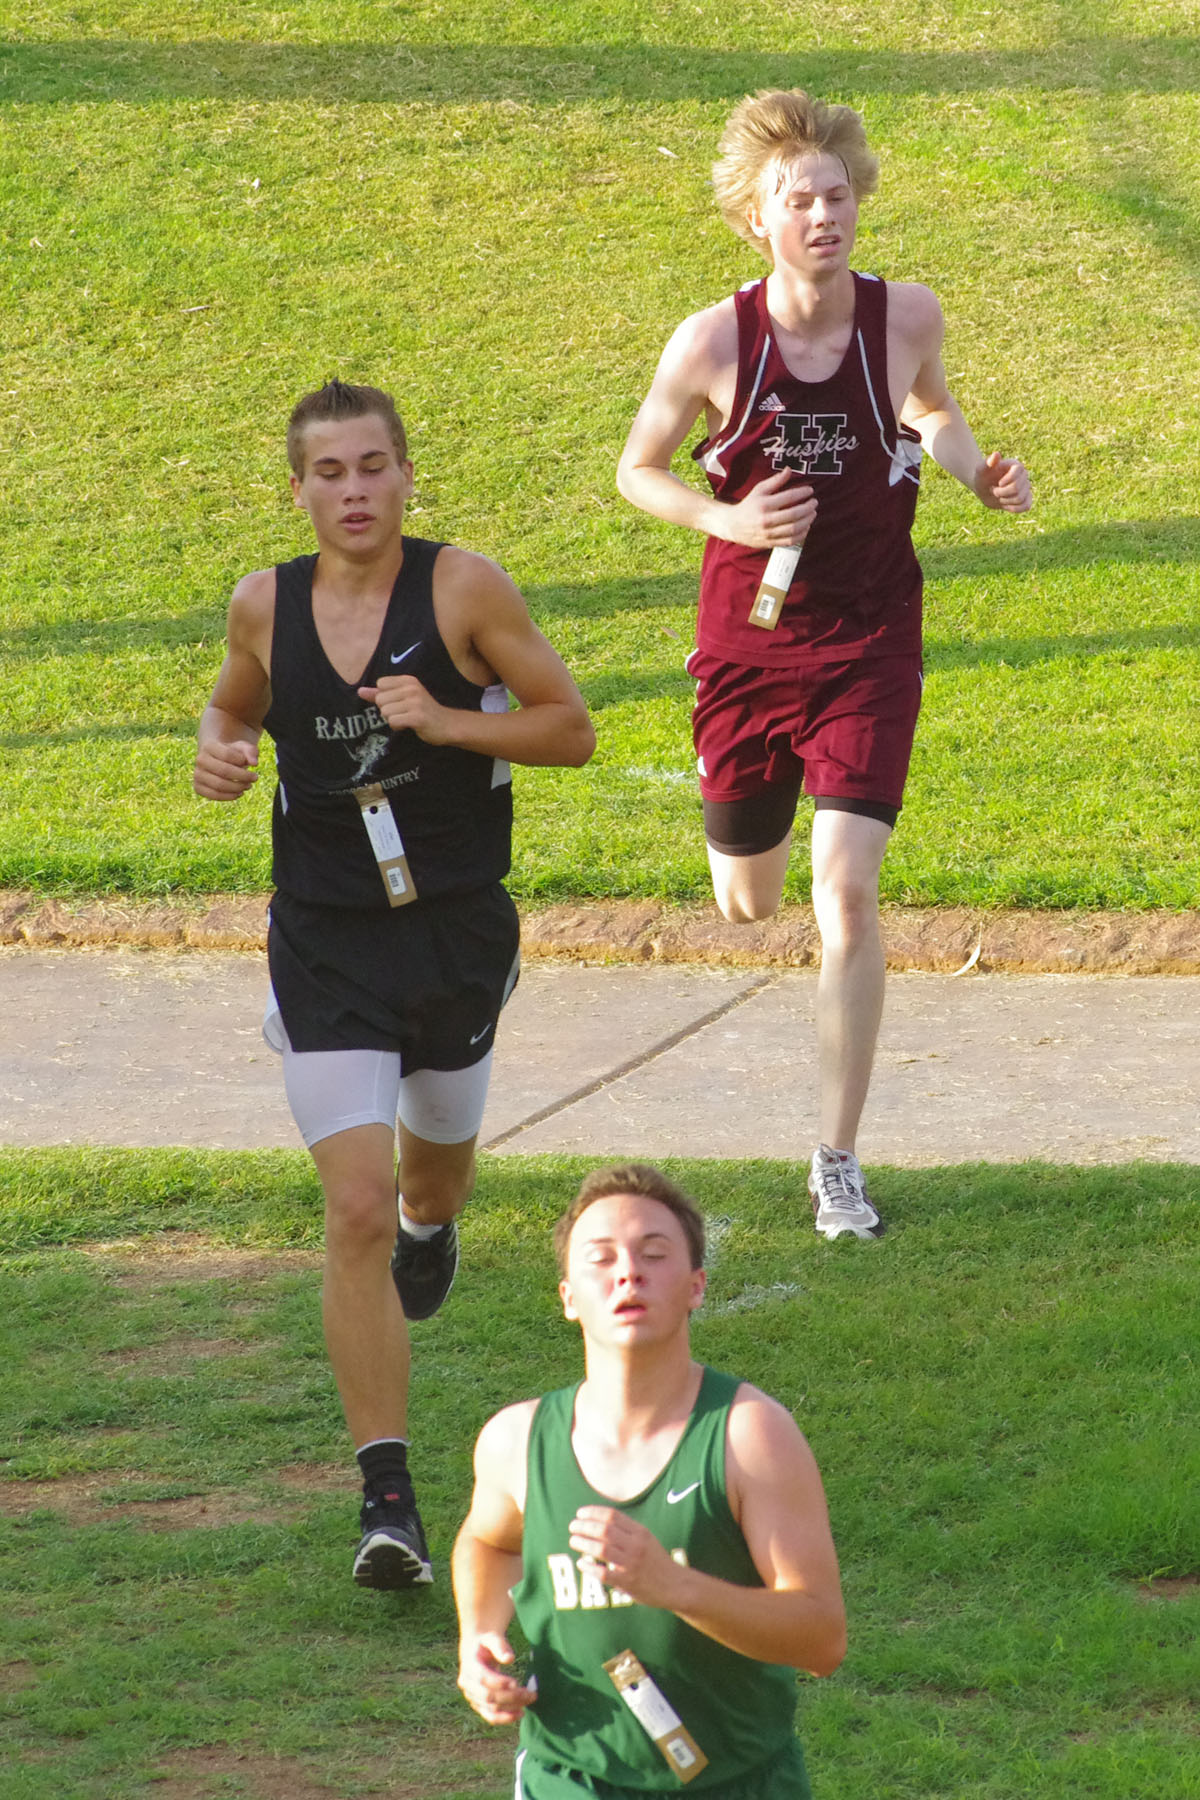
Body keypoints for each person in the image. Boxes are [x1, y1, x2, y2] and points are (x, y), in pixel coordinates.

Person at [193, 379, 595, 1588]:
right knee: (356, 1206)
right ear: (299, 489)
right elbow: (232, 707)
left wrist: (446, 722)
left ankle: (435, 1225)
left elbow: (568, 728)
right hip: (325, 938)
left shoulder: (463, 589)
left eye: (374, 467)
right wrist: (220, 751)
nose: (355, 491)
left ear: (407, 476)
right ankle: (388, 1500)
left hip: (454, 932)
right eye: (330, 472)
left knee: (430, 1173)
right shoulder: (264, 604)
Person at [616, 90, 1032, 1241]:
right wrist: (729, 519)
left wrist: (975, 472)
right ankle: (748, 830)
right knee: (748, 901)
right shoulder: (713, 342)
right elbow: (637, 470)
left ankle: (837, 1163)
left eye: (836, 195)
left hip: (868, 641)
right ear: (756, 219)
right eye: (798, 200)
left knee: (845, 891)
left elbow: (931, 410)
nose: (823, 215)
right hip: (748, 647)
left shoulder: (907, 315)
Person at [454, 1162, 846, 1799]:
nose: (628, 1273)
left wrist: (675, 1586)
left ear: (696, 1287)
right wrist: (479, 1635)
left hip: (736, 1784)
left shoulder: (750, 1436)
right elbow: (489, 1541)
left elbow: (821, 1638)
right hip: (569, 1780)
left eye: (654, 1254)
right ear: (568, 1298)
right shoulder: (516, 1441)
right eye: (601, 1258)